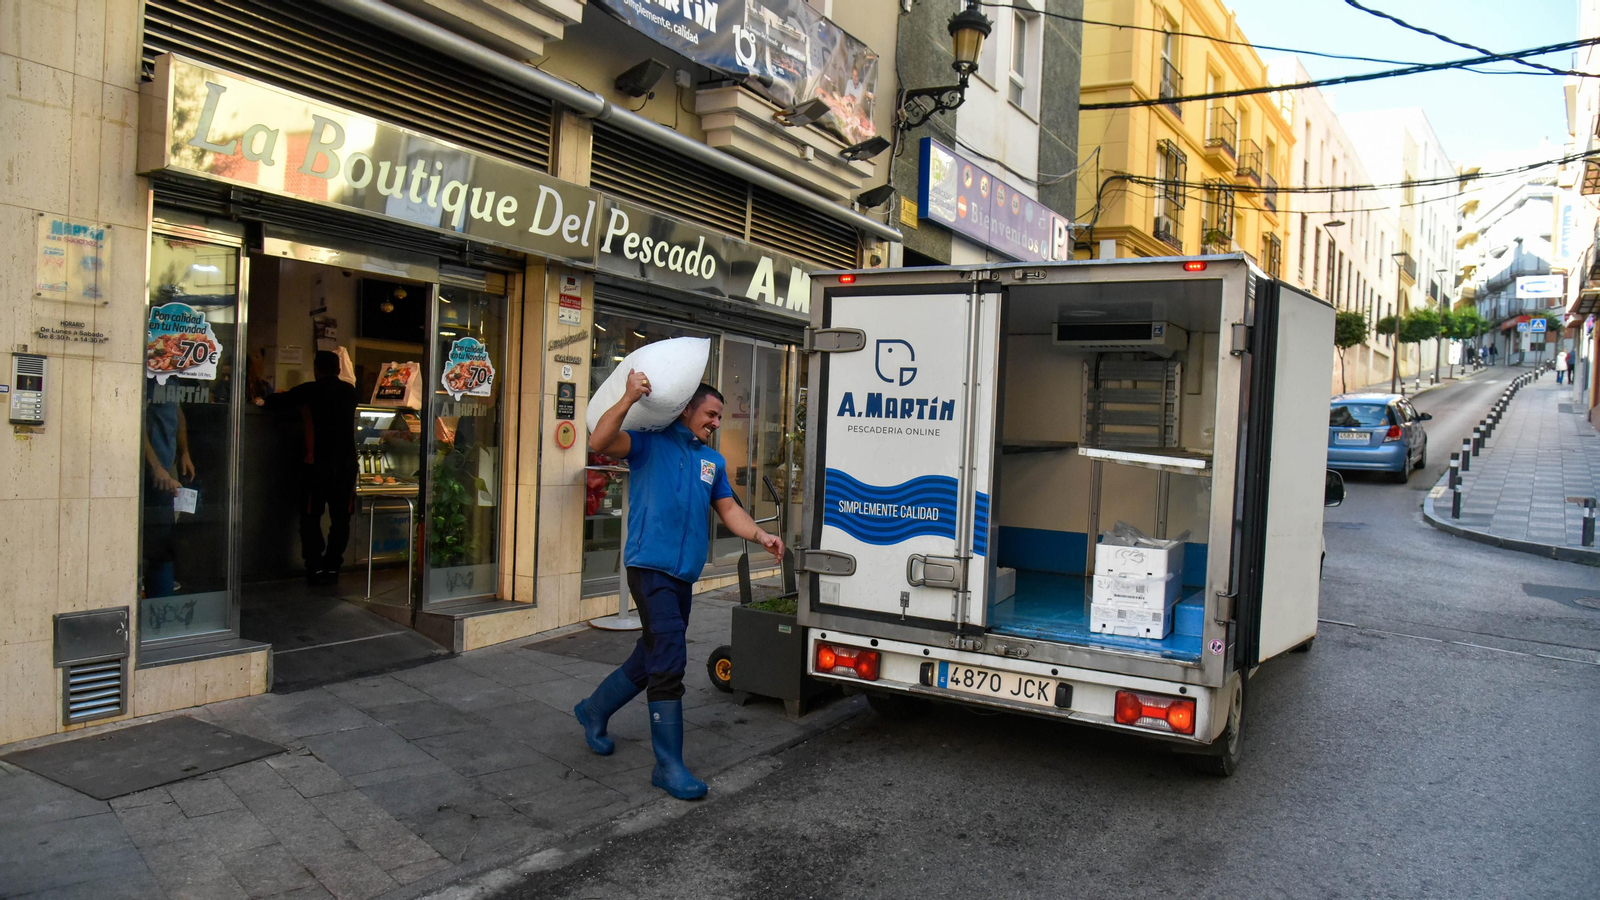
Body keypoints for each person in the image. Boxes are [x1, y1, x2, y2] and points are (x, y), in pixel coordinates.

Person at [576, 371, 783, 800]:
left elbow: (729, 510)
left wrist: (761, 536)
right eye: (710, 413)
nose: (715, 422)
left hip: (683, 575)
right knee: (669, 655)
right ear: (687, 408)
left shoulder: (713, 462)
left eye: (719, 417)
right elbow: (598, 442)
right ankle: (668, 765)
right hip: (649, 567)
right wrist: (630, 397)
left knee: (650, 654)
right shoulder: (649, 443)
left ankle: (593, 710)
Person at [257, 350, 359, 584]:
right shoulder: (350, 392)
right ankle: (333, 567)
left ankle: (315, 567)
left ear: (316, 370)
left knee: (311, 517)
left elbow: (273, 402)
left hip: (317, 465)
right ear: (339, 370)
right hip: (345, 465)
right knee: (341, 519)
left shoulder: (309, 391)